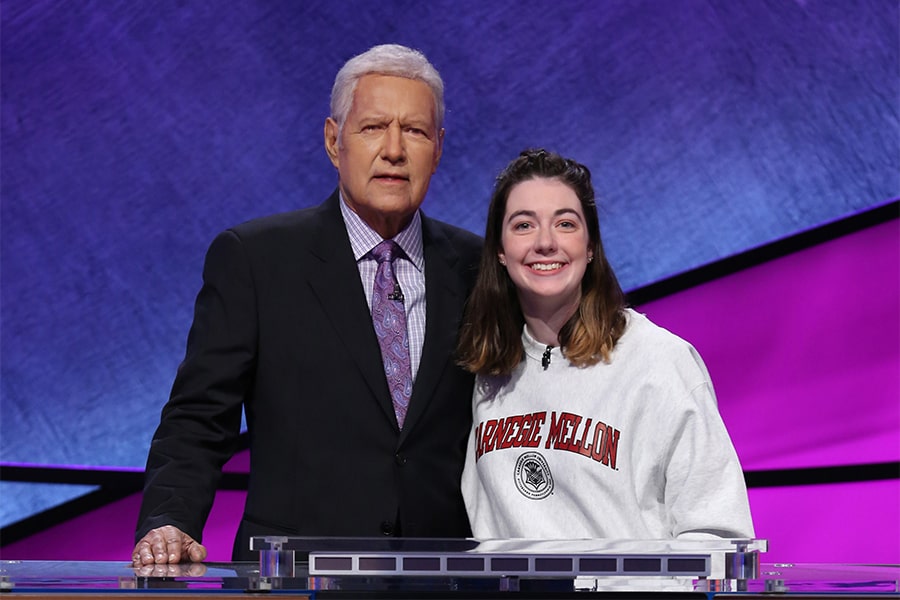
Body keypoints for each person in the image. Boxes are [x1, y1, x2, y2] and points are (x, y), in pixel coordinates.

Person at [132, 44, 482, 566]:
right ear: (332, 141)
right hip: (295, 572)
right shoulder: (256, 259)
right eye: (372, 128)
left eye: (415, 131)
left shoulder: (478, 268)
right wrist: (170, 519)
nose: (393, 149)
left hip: (441, 572)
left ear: (439, 147)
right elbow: (199, 416)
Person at [457, 149, 754, 540]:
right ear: (499, 250)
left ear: (591, 245)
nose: (545, 243)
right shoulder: (487, 368)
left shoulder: (659, 360)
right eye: (524, 225)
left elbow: (719, 532)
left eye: (565, 223)